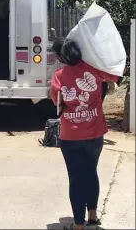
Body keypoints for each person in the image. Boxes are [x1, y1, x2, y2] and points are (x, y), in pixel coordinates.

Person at [50, 38, 123, 230]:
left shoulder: (59, 75)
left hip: (70, 136)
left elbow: (56, 104)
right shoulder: (93, 69)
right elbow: (116, 76)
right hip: (95, 134)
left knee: (76, 177)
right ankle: (92, 215)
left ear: (62, 57)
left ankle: (79, 225)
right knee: (91, 172)